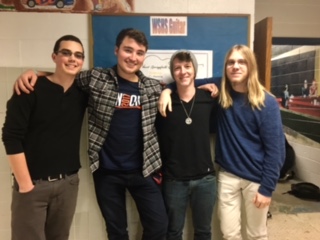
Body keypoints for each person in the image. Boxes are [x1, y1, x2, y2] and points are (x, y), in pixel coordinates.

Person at [13, 28, 168, 240]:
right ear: (116, 50)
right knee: (116, 231)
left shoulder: (152, 86)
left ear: (144, 57)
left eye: (139, 53)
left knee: (159, 226)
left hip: (144, 170)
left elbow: (181, 84)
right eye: (128, 50)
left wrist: (169, 91)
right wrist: (34, 73)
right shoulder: (96, 78)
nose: (133, 57)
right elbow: (64, 73)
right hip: (107, 172)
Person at [159, 45, 285, 240]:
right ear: (226, 67)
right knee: (229, 234)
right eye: (231, 62)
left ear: (250, 66)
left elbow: (276, 150)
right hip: (227, 176)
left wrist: (267, 188)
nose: (235, 66)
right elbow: (186, 80)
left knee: (257, 234)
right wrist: (167, 90)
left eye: (241, 62)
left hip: (256, 178)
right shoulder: (221, 89)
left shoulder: (266, 102)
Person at [2, 35, 88, 240]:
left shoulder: (82, 93)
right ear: (54, 56)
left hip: (67, 185)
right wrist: (25, 185)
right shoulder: (29, 89)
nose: (72, 59)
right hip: (32, 186)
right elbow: (11, 136)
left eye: (78, 55)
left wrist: (36, 71)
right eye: (65, 53)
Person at [156, 50, 217, 240]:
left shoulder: (209, 99)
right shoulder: (164, 102)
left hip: (205, 179)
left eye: (188, 66)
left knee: (204, 232)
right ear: (173, 73)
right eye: (178, 68)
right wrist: (167, 90)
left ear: (195, 71)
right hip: (174, 180)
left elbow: (232, 81)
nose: (183, 71)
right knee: (173, 232)